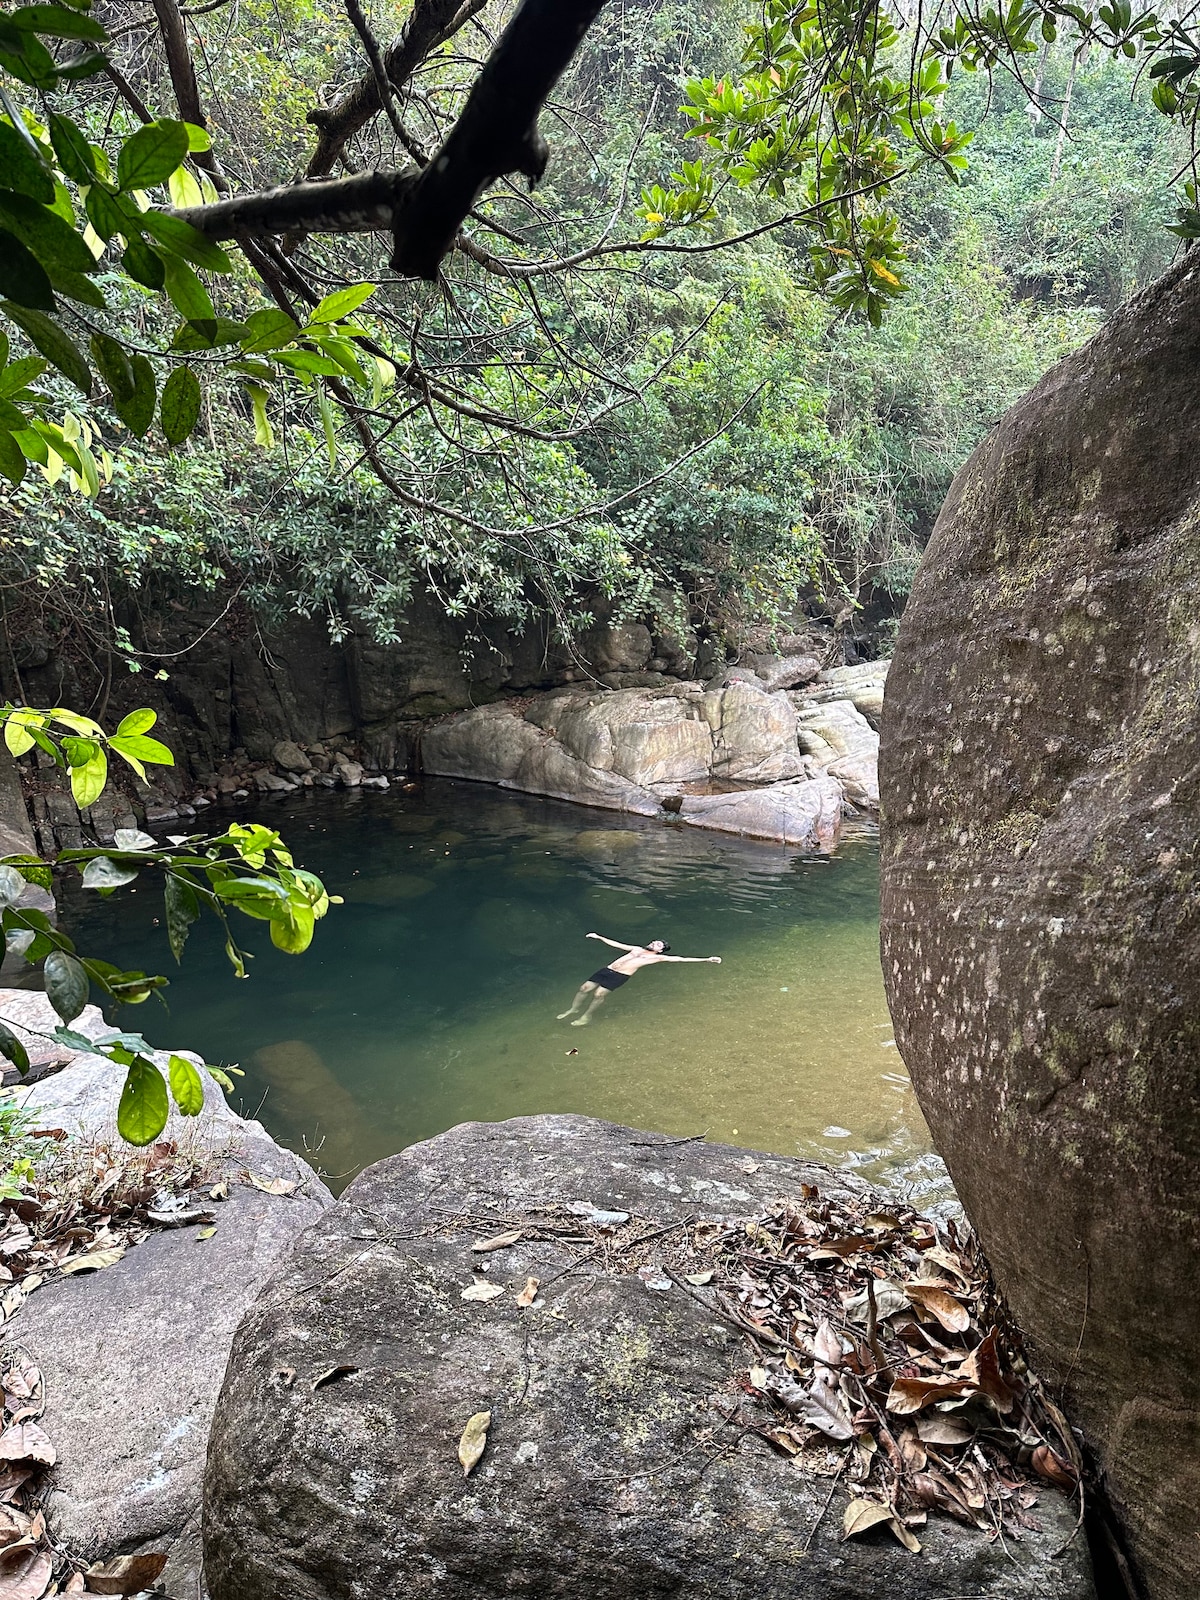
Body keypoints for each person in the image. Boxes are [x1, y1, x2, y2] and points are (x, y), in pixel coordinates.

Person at [557, 932, 722, 1026]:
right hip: (607, 970)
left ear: (661, 951)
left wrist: (707, 959)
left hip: (620, 976)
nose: (654, 943)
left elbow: (681, 958)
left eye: (658, 944)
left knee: (599, 995)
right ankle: (573, 1009)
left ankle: (587, 1015)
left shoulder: (658, 958)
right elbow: (617, 944)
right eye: (654, 941)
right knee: (584, 988)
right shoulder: (636, 949)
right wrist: (599, 937)